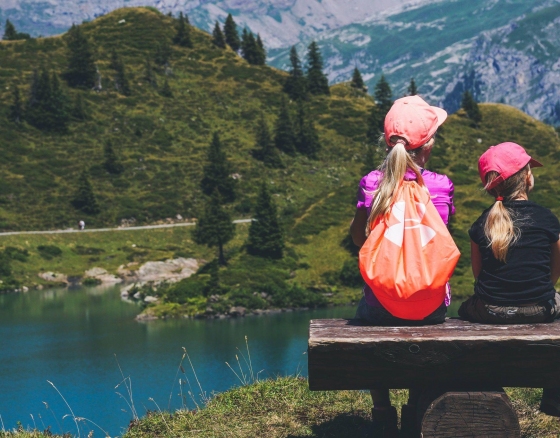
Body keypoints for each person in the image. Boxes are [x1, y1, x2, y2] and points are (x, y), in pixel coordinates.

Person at [350, 95, 456, 436]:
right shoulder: (440, 186)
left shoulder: (370, 184)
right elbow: (438, 240)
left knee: (365, 309)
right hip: (431, 308)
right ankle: (414, 406)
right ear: (428, 146)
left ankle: (382, 408)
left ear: (387, 141)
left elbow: (358, 239)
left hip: (380, 308)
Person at [458, 142, 560, 415]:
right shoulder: (547, 219)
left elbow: (479, 276)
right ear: (527, 178)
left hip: (491, 310)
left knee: (464, 308)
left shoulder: (482, 223)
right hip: (540, 308)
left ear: (492, 187)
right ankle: (555, 395)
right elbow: (554, 273)